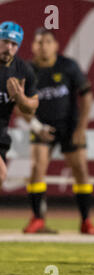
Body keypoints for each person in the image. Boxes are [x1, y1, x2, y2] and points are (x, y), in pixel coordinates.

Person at [20, 28, 94, 235]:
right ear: (33, 46)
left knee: (81, 169)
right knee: (37, 167)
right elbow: (21, 105)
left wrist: (81, 127)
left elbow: (87, 95)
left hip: (70, 126)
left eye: (47, 41)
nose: (43, 46)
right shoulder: (27, 71)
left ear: (55, 45)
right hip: (42, 126)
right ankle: (37, 219)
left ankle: (86, 221)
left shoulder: (68, 66)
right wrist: (36, 126)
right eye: (39, 42)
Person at [0, 21, 39, 189]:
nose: (9, 47)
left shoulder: (23, 71)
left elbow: (31, 108)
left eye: (14, 44)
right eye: (5, 41)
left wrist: (20, 98)